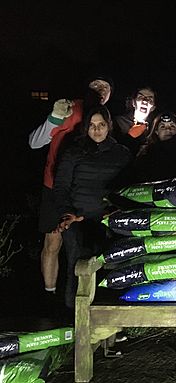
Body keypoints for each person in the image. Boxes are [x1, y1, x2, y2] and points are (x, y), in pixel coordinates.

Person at [28, 75, 114, 306]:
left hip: (87, 192)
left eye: (105, 88)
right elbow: (35, 142)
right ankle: (49, 298)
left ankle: (83, 301)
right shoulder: (72, 109)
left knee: (86, 248)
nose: (100, 91)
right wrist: (54, 118)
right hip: (55, 185)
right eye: (95, 85)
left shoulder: (105, 118)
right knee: (53, 242)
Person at [53, 105, 131, 310]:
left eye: (101, 125)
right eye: (92, 125)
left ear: (109, 126)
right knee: (77, 264)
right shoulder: (74, 152)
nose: (97, 130)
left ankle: (107, 320)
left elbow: (129, 188)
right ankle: (75, 318)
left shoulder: (121, 154)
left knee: (109, 265)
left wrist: (117, 210)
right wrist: (68, 214)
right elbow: (61, 186)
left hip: (109, 219)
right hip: (78, 219)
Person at [131, 112, 176, 183]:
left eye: (172, 126)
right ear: (156, 131)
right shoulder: (146, 154)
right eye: (162, 127)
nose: (168, 129)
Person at [113, 86, 157, 156]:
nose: (145, 101)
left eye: (150, 99)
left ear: (153, 108)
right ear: (133, 102)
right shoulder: (118, 122)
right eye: (141, 97)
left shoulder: (155, 127)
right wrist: (130, 136)